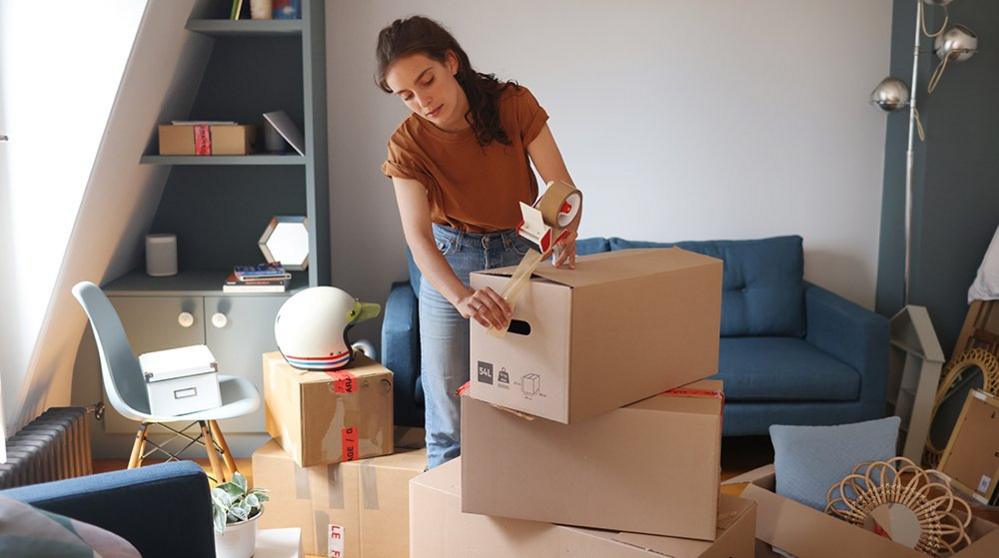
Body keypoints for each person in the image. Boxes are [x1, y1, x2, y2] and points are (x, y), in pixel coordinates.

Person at [376, 15, 580, 468]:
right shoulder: (406, 145)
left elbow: (559, 186)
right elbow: (417, 235)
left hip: (521, 249)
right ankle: (446, 529)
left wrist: (566, 227)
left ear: (451, 62)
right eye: (405, 95)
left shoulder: (512, 104)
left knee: (533, 396)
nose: (421, 101)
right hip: (452, 256)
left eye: (426, 81)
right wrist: (461, 297)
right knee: (448, 414)